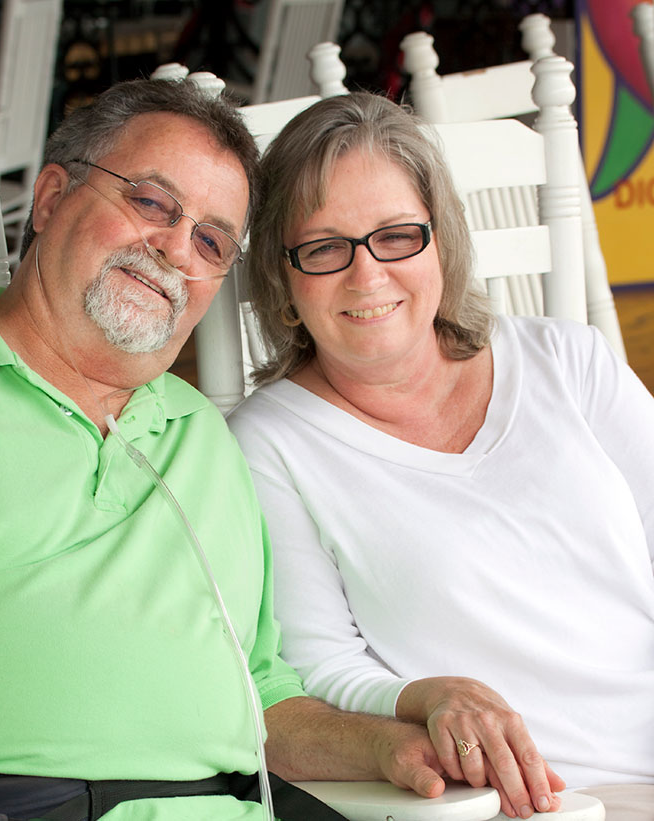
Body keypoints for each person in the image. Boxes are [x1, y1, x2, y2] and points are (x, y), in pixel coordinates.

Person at [0, 79, 452, 821]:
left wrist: (385, 746)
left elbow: (260, 694)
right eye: (151, 203)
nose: (174, 248)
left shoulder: (203, 435)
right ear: (49, 199)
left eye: (209, 241)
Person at [227, 91, 654, 821]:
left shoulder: (568, 362)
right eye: (325, 248)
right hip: (545, 799)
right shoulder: (273, 444)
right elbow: (319, 665)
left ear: (442, 240)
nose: (368, 276)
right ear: (284, 280)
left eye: (396, 235)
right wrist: (423, 699)